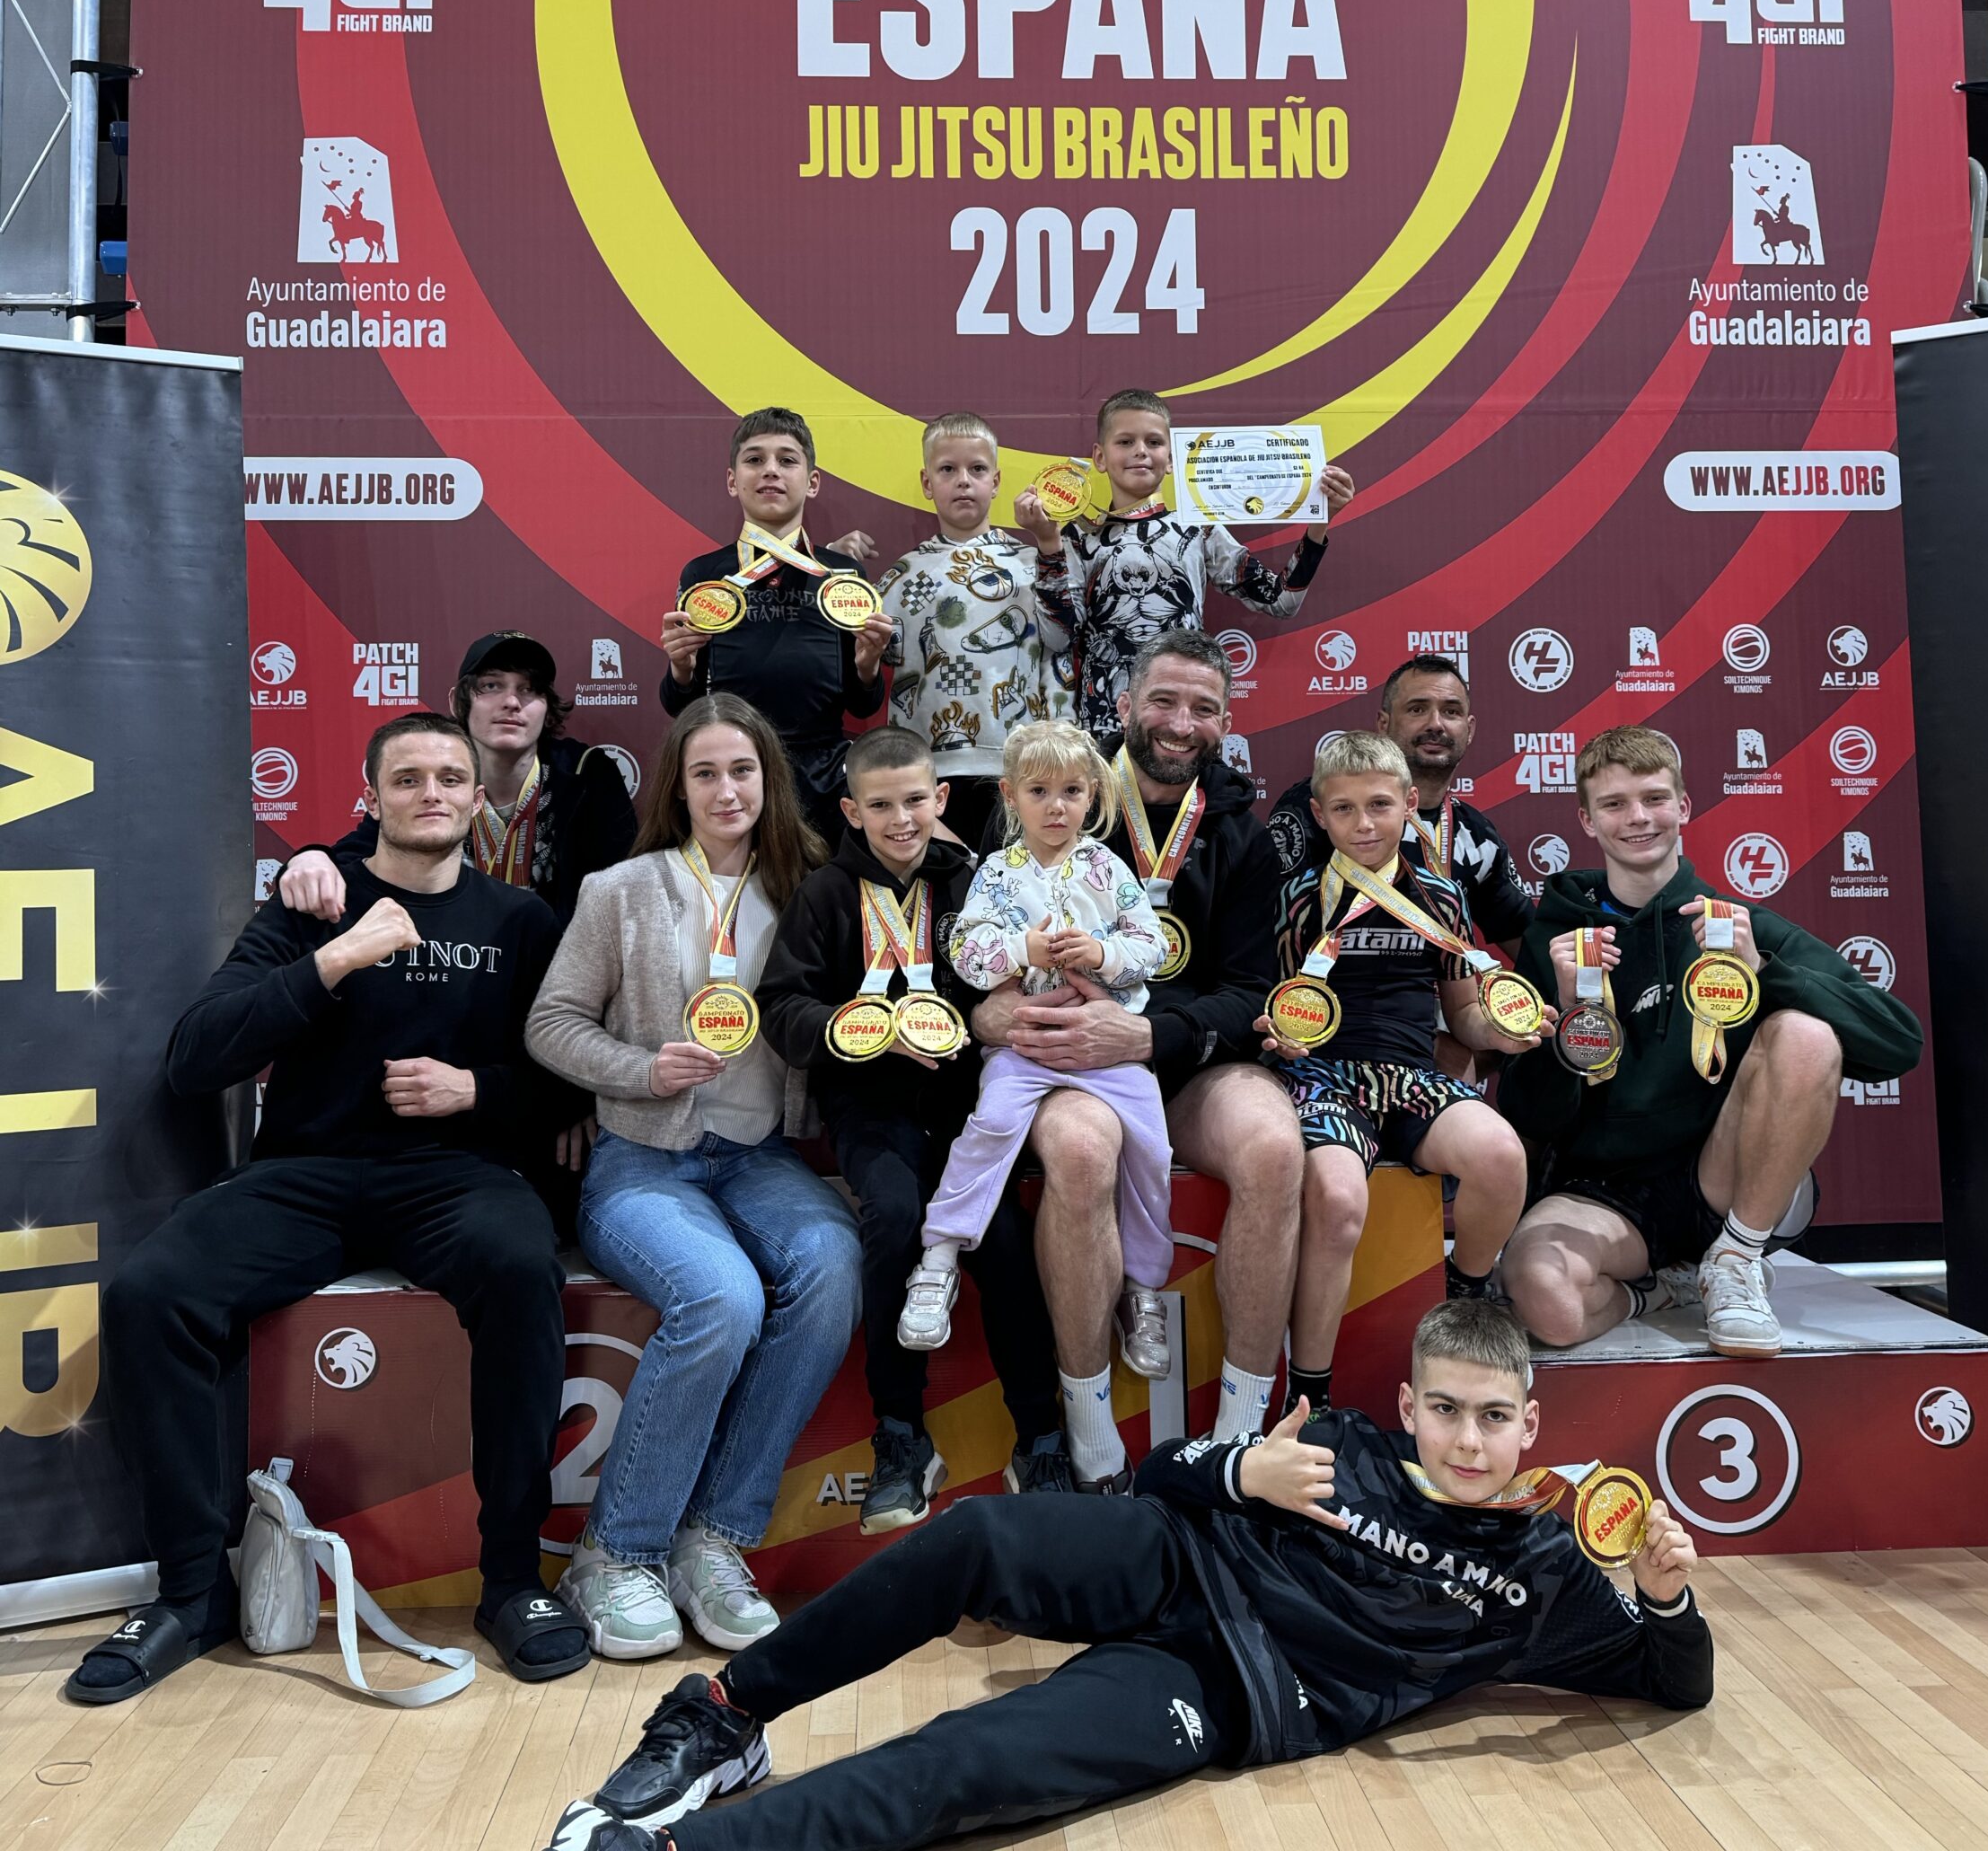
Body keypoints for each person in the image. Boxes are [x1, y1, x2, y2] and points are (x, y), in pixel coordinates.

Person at [541, 1298, 1711, 1851]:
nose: (1466, 1438)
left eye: (1492, 1417)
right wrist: (1242, 1470)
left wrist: (1665, 1597)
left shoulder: (1547, 1567)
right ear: (1409, 1405)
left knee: (971, 1760)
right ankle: (721, 1714)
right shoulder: (1342, 1441)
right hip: (1179, 1560)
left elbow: (1675, 1681)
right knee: (971, 1538)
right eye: (1445, 1409)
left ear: (1528, 1423)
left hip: (1236, 1689)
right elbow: (1162, 1474)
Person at [71, 713, 584, 1705]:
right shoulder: (316, 903)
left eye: (450, 777)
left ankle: (512, 1580)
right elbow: (196, 1056)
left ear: (478, 797)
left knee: (524, 1270)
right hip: (305, 1175)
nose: (431, 793)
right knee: (150, 1294)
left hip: (455, 1178)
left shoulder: (521, 921)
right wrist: (333, 960)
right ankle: (190, 1592)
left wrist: (475, 1091)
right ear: (372, 797)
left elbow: (569, 1077)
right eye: (408, 778)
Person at [524, 696, 859, 1658]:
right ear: (678, 786)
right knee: (721, 1295)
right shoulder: (621, 889)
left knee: (834, 1265)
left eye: (742, 770)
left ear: (768, 780)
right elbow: (551, 1023)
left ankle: (710, 1540)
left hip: (758, 1155)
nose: (726, 790)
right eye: (705, 772)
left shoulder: (810, 885)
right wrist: (642, 1069)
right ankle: (614, 1554)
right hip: (643, 1158)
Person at [973, 630, 1298, 1482]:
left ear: (1225, 724)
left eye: (1202, 708)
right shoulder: (1053, 793)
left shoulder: (1242, 836)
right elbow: (969, 948)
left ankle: (1238, 1442)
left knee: (1273, 1147)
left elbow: (1250, 990)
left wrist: (1152, 1035)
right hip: (1071, 1062)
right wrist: (991, 1011)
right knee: (1083, 1151)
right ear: (1123, 707)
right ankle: (1090, 1439)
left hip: (1183, 1063)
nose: (1180, 723)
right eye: (1163, 701)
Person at [1497, 725, 1924, 1357]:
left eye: (1654, 798)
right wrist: (1566, 1025)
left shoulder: (1734, 927)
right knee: (1545, 1299)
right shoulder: (1556, 942)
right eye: (1614, 804)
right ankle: (1664, 1289)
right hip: (1604, 1194)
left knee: (1805, 1035)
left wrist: (1766, 972)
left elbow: (1897, 1042)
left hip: (1721, 1178)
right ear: (1586, 820)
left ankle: (1735, 1258)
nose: (1638, 818)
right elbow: (1528, 1116)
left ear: (1683, 806)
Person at [756, 726, 1070, 1533]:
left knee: (1002, 1239)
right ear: (850, 812)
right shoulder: (824, 895)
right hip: (869, 1106)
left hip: (966, 1107)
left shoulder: (972, 881)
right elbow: (780, 1007)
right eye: (880, 805)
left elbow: (1000, 978)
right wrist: (864, 1030)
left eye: (914, 801)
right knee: (893, 1219)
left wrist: (979, 1014)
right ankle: (900, 1437)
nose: (900, 820)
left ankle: (1040, 1436)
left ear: (941, 799)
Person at [902, 719, 1170, 1479]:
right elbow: (964, 952)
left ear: (1095, 797)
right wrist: (1021, 950)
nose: (1057, 806)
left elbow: (1152, 946)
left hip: (1106, 1050)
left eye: (1073, 791)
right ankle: (938, 1257)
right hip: (1022, 1049)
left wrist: (1103, 953)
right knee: (988, 1125)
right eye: (1040, 791)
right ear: (1010, 795)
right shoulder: (994, 872)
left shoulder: (1109, 868)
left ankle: (1142, 1290)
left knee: (1151, 1151)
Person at [1265, 732, 1538, 1413]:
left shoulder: (1441, 896)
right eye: (1344, 809)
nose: (1364, 824)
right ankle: (1311, 1396)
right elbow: (1277, 1003)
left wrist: (1500, 1032)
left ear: (1410, 803)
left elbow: (1463, 1014)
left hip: (1412, 1080)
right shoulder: (1300, 897)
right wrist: (1277, 1038)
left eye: (1380, 805)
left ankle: (1463, 1296)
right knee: (1337, 1201)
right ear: (1319, 815)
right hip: (1324, 1079)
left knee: (1501, 1156)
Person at [1017, 388, 1354, 742]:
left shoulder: (1198, 529)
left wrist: (1320, 522)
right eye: (1125, 442)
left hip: (1184, 723)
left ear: (1172, 457)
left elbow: (1280, 600)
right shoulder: (1077, 536)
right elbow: (1059, 637)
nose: (1141, 451)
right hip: (1105, 724)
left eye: (1154, 442)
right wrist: (1048, 544)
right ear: (1100, 457)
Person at [277, 630, 638, 927]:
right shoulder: (432, 772)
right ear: (458, 701)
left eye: (529, 689)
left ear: (547, 706)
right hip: (452, 960)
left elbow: (624, 886)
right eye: (491, 686)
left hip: (553, 964)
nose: (512, 702)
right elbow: (363, 849)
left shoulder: (587, 772)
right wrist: (311, 858)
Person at [656, 408, 891, 843]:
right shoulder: (705, 575)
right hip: (738, 770)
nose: (770, 471)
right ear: (732, 481)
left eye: (786, 460)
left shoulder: (842, 575)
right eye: (754, 459)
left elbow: (862, 706)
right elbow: (679, 704)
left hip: (824, 773)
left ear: (812, 481)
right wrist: (681, 668)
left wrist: (867, 665)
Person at [874, 410, 1077, 853]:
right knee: (943, 882)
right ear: (927, 482)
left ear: (996, 481)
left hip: (1019, 765)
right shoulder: (901, 577)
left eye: (977, 469)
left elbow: (1062, 639)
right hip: (927, 772)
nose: (963, 481)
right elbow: (878, 670)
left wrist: (1049, 545)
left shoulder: (1032, 564)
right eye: (948, 469)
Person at [1269, 652, 1534, 954]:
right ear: (1384, 723)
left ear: (1469, 729)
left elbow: (1527, 941)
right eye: (1417, 709)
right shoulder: (1315, 807)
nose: (1436, 724)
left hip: (1444, 982)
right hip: (1327, 982)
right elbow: (1270, 928)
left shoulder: (1478, 837)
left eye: (1451, 712)